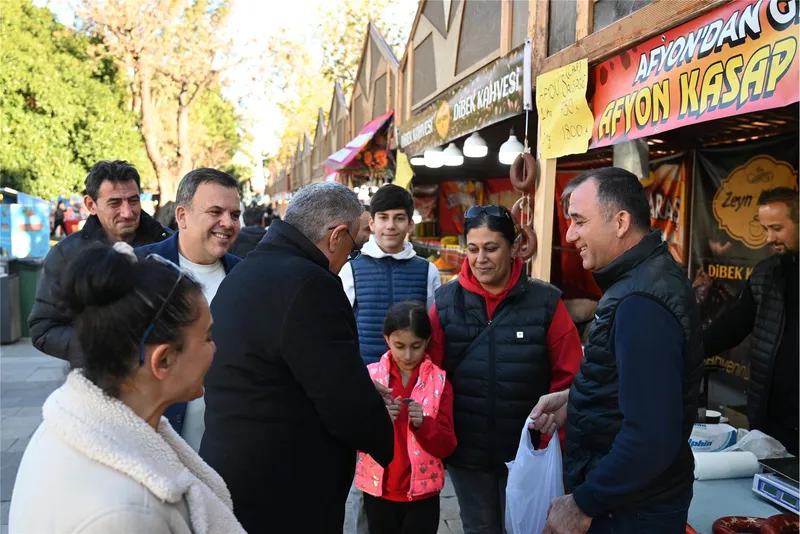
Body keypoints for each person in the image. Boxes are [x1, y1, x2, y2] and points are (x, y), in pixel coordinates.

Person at [199, 182, 395, 533]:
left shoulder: (244, 271)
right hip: (287, 487)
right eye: (353, 249)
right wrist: (381, 432)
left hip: (234, 470)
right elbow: (343, 402)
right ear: (337, 236)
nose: (348, 260)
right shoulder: (311, 283)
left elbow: (286, 366)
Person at [9, 244, 244, 534]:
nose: (215, 348)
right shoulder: (125, 516)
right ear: (163, 360)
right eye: (207, 337)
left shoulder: (71, 422)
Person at [530, 168, 703, 534]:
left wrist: (584, 503)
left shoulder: (640, 300)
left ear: (621, 222)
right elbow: (635, 388)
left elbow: (651, 435)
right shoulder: (639, 280)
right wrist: (576, 398)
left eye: (579, 221)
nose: (570, 234)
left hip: (631, 512)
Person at [426, 204, 584, 534]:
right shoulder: (445, 303)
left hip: (529, 452)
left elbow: (569, 378)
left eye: (491, 248)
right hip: (468, 454)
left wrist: (556, 440)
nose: (480, 258)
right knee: (480, 527)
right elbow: (431, 378)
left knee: (529, 527)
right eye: (473, 249)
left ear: (513, 249)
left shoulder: (545, 303)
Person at [136, 168, 241, 447]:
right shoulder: (139, 269)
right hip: (154, 441)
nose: (227, 223)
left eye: (235, 215)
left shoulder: (247, 276)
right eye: (215, 212)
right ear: (182, 216)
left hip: (228, 446)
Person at [29, 160, 170, 362]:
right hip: (99, 376)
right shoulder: (66, 255)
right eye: (115, 203)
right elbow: (44, 329)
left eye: (133, 201)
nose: (127, 212)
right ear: (91, 205)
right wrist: (103, 349)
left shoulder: (168, 244)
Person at [703, 187, 799, 455]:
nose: (769, 238)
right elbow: (733, 325)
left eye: (777, 228)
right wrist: (684, 348)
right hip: (770, 419)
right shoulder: (765, 274)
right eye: (765, 229)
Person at [356, 301, 457, 534]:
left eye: (416, 346)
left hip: (423, 493)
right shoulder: (370, 378)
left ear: (427, 341)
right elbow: (354, 439)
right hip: (379, 490)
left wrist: (424, 425)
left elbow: (448, 445)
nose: (408, 355)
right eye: (399, 346)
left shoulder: (439, 382)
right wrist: (377, 421)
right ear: (386, 339)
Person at [340, 184, 441, 365]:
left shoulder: (428, 271)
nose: (391, 226)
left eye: (399, 218)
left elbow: (434, 328)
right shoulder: (350, 270)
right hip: (365, 373)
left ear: (410, 225)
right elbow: (340, 327)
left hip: (414, 375)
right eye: (383, 217)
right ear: (372, 223)